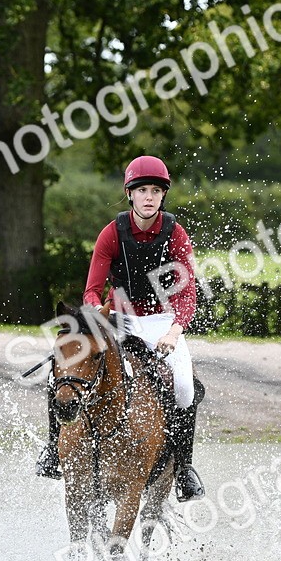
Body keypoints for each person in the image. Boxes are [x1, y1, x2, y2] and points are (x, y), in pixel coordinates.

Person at [36, 155, 205, 503]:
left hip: (161, 321)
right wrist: (96, 314)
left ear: (163, 195)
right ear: (130, 194)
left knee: (185, 387)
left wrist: (174, 331)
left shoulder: (175, 234)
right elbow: (92, 289)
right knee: (61, 371)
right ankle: (53, 449)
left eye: (155, 191)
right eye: (142, 190)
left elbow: (187, 291)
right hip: (119, 316)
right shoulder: (112, 233)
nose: (148, 197)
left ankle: (183, 469)